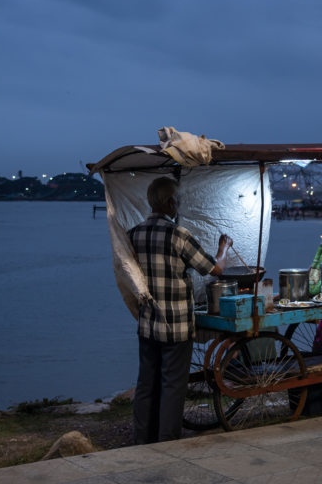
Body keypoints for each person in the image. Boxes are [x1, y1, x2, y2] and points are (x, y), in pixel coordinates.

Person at [128, 176, 232, 444]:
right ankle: (168, 441)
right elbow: (215, 269)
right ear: (171, 202)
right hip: (176, 326)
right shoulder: (178, 235)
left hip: (148, 324)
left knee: (146, 384)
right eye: (178, 200)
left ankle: (143, 439)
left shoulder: (134, 233)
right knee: (173, 385)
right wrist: (223, 248)